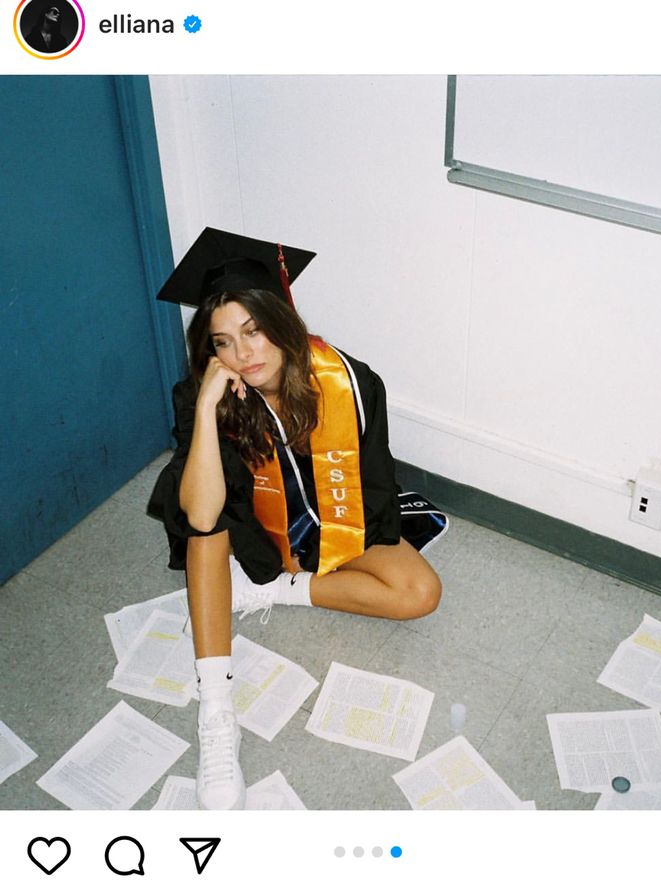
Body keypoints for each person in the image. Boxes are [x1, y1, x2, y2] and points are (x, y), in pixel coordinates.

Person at [149, 228, 442, 811]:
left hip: (327, 524)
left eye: (254, 331)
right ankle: (216, 713)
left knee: (420, 592)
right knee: (205, 533)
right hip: (248, 531)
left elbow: (371, 484)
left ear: (281, 320)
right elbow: (203, 511)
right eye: (224, 342)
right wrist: (207, 409)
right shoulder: (205, 393)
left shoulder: (349, 381)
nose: (245, 354)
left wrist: (318, 558)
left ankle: (279, 591)